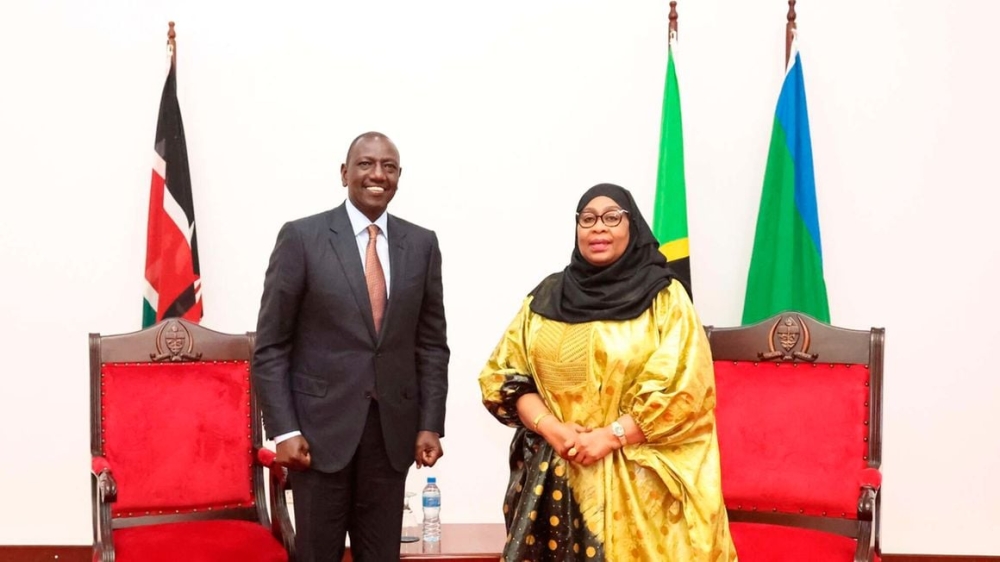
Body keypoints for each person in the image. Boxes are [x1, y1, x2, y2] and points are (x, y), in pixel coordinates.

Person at [478, 183, 736, 561]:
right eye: (588, 219)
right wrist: (553, 428)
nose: (598, 227)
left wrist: (610, 436)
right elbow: (503, 376)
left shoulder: (665, 298)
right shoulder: (545, 297)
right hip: (555, 480)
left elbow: (685, 391)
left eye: (612, 217)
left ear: (633, 226)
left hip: (643, 494)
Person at [253, 131, 450, 562]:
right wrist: (284, 430)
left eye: (388, 167)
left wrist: (430, 423)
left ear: (399, 176)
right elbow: (271, 346)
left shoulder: (422, 244)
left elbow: (432, 345)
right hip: (317, 438)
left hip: (391, 437)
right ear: (345, 173)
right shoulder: (302, 237)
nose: (378, 174)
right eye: (365, 164)